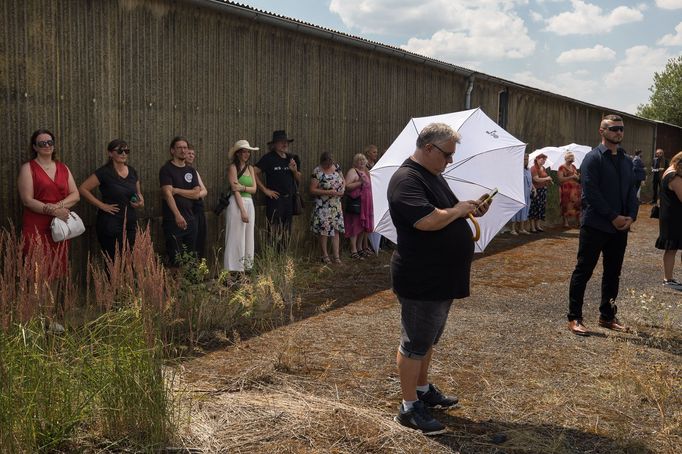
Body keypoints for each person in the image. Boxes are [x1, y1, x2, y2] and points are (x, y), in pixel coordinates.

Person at [388, 123, 491, 435]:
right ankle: (408, 408)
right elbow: (427, 220)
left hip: (440, 276)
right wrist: (458, 211)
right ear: (429, 148)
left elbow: (447, 211)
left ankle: (421, 390)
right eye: (447, 154)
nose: (449, 161)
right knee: (415, 343)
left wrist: (471, 210)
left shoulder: (433, 175)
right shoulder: (406, 179)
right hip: (421, 276)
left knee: (428, 339)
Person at [567, 115, 639, 336]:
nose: (618, 132)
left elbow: (631, 191)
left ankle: (607, 316)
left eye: (621, 129)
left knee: (613, 272)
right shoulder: (592, 158)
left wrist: (631, 216)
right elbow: (591, 193)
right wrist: (612, 217)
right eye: (614, 128)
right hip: (596, 225)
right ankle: (575, 317)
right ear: (602, 131)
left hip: (620, 228)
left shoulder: (627, 161)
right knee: (584, 270)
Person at [18, 129, 80, 277]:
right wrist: (53, 210)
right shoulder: (28, 168)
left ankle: (52, 301)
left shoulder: (63, 168)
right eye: (42, 143)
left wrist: (57, 208)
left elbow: (76, 195)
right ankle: (37, 301)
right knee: (37, 272)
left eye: (50, 142)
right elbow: (27, 200)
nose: (47, 145)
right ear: (35, 147)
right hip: (36, 227)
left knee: (57, 270)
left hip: (60, 226)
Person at [79, 139, 144, 261]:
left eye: (126, 151)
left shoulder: (132, 171)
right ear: (110, 153)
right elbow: (83, 189)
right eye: (120, 151)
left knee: (130, 261)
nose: (124, 153)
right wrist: (102, 205)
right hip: (110, 223)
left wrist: (140, 202)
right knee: (113, 262)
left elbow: (139, 194)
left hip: (130, 223)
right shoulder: (104, 172)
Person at [254, 130, 302, 249]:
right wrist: (265, 190)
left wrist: (294, 170)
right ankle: (272, 258)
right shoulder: (268, 158)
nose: (285, 144)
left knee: (287, 230)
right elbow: (253, 172)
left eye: (286, 142)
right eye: (281, 142)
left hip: (289, 200)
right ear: (274, 144)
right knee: (274, 230)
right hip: (275, 200)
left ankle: (283, 258)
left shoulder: (292, 158)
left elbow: (299, 178)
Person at [159, 136, 201, 266]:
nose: (183, 151)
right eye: (179, 148)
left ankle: (188, 286)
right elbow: (167, 194)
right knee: (175, 258)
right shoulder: (166, 169)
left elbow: (196, 194)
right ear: (172, 150)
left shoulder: (191, 170)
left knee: (190, 257)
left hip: (191, 220)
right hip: (174, 221)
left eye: (185, 148)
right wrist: (177, 215)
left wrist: (177, 190)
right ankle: (175, 286)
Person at [224, 140, 259, 272]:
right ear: (238, 153)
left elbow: (254, 189)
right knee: (235, 236)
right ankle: (231, 269)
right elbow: (235, 189)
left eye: (248, 151)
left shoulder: (250, 168)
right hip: (237, 203)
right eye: (244, 151)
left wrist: (243, 187)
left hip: (250, 202)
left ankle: (246, 267)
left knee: (248, 235)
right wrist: (243, 210)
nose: (246, 154)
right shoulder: (233, 167)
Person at [310, 152, 345, 264]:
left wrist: (342, 190)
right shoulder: (317, 171)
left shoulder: (337, 167)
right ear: (323, 162)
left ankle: (336, 256)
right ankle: (325, 255)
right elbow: (312, 190)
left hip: (335, 205)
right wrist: (328, 192)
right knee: (324, 230)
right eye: (327, 164)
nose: (329, 166)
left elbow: (343, 180)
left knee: (335, 230)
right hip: (323, 205)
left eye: (330, 163)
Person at [654, 151, 682, 290]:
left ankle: (668, 278)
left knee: (672, 248)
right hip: (675, 217)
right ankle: (668, 278)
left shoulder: (668, 172)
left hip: (670, 215)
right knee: (672, 248)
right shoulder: (674, 176)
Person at [344, 153, 374, 258]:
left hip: (366, 204)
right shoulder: (353, 171)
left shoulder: (365, 172)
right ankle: (353, 250)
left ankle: (360, 247)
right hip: (357, 203)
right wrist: (359, 182)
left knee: (363, 226)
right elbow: (346, 187)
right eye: (359, 160)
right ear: (355, 162)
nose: (361, 162)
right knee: (355, 225)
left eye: (363, 160)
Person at [184, 145, 208, 259]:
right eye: (189, 153)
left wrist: (195, 195)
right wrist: (194, 194)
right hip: (188, 210)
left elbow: (204, 191)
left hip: (198, 209)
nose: (191, 156)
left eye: (193, 154)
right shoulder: (177, 171)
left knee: (200, 240)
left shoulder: (194, 171)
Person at [528, 153, 553, 232]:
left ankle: (538, 225)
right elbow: (536, 179)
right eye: (542, 159)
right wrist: (546, 178)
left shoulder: (543, 168)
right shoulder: (533, 168)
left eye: (544, 160)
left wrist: (548, 179)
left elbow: (544, 178)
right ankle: (532, 227)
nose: (543, 161)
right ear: (537, 159)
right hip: (536, 190)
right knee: (534, 207)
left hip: (543, 190)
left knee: (541, 208)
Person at [509, 153, 532, 235]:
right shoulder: (516, 169)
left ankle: (521, 228)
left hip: (527, 193)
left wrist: (534, 189)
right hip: (518, 193)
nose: (526, 161)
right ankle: (513, 229)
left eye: (527, 159)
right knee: (516, 210)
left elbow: (530, 181)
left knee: (525, 210)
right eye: (525, 159)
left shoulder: (528, 170)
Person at [557, 152, 581, 228]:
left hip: (575, 189)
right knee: (566, 204)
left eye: (572, 157)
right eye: (570, 157)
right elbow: (560, 179)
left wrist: (577, 177)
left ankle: (578, 221)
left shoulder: (573, 166)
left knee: (577, 204)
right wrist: (571, 177)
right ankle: (566, 222)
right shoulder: (561, 167)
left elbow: (577, 177)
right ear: (566, 158)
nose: (572, 158)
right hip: (566, 189)